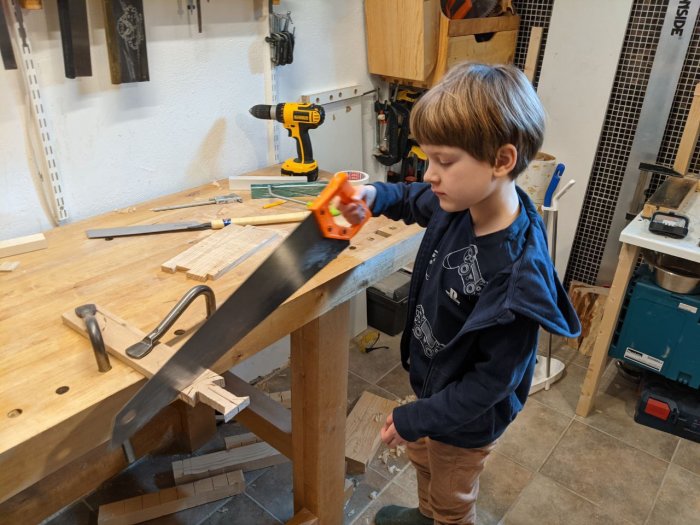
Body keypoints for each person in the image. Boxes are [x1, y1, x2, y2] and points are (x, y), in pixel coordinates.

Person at [339, 62, 581, 525]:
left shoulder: (515, 280)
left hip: (469, 421)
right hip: (436, 391)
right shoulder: (461, 203)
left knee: (453, 495)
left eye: (444, 162)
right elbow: (414, 200)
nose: (431, 174)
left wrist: (418, 417)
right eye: (428, 159)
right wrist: (376, 196)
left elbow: (492, 383)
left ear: (502, 160)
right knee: (425, 461)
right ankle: (425, 515)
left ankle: (440, 518)